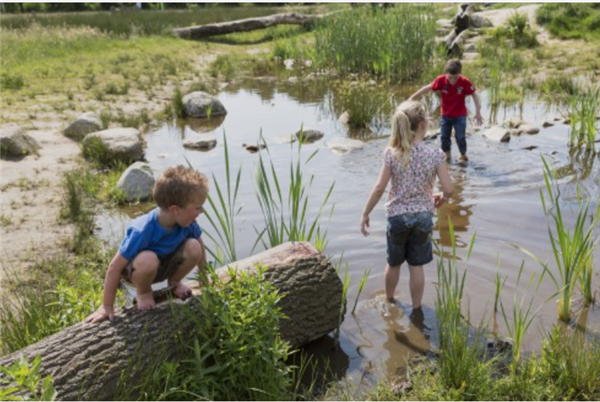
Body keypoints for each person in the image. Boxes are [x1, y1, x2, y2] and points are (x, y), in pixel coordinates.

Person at [85, 165, 209, 323]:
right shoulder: (142, 231)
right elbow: (115, 267)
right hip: (139, 270)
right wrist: (107, 306)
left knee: (194, 246)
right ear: (176, 210)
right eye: (197, 208)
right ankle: (143, 292)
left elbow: (200, 248)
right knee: (148, 259)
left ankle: (174, 283)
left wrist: (204, 279)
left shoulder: (188, 223)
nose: (201, 212)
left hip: (165, 264)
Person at [360, 100, 453, 309]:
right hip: (422, 217)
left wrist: (365, 213)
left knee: (393, 263)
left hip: (397, 217)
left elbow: (379, 188)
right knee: (416, 265)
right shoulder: (435, 155)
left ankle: (389, 300)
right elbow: (449, 189)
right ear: (423, 124)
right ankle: (417, 308)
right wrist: (440, 198)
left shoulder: (392, 154)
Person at [409, 59, 483, 162]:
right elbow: (428, 87)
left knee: (460, 137)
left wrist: (478, 112)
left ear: (460, 74)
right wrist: (413, 97)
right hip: (445, 115)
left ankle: (463, 155)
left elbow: (474, 94)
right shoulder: (441, 80)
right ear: (446, 74)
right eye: (450, 77)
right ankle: (447, 158)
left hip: (459, 115)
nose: (452, 80)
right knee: (444, 137)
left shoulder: (464, 82)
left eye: (455, 77)